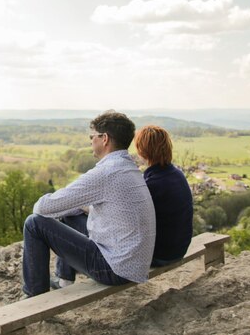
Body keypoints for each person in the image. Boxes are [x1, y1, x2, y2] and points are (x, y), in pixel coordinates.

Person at [22, 111, 156, 297]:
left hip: (115, 268)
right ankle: (64, 279)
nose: (90, 141)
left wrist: (63, 200)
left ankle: (33, 298)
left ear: (105, 139)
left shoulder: (106, 172)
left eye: (92, 137)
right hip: (133, 263)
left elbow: (42, 209)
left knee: (33, 223)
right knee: (69, 213)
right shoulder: (128, 167)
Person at [134, 125, 193, 267]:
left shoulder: (152, 184)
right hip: (179, 250)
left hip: (160, 255)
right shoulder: (177, 175)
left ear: (142, 151)